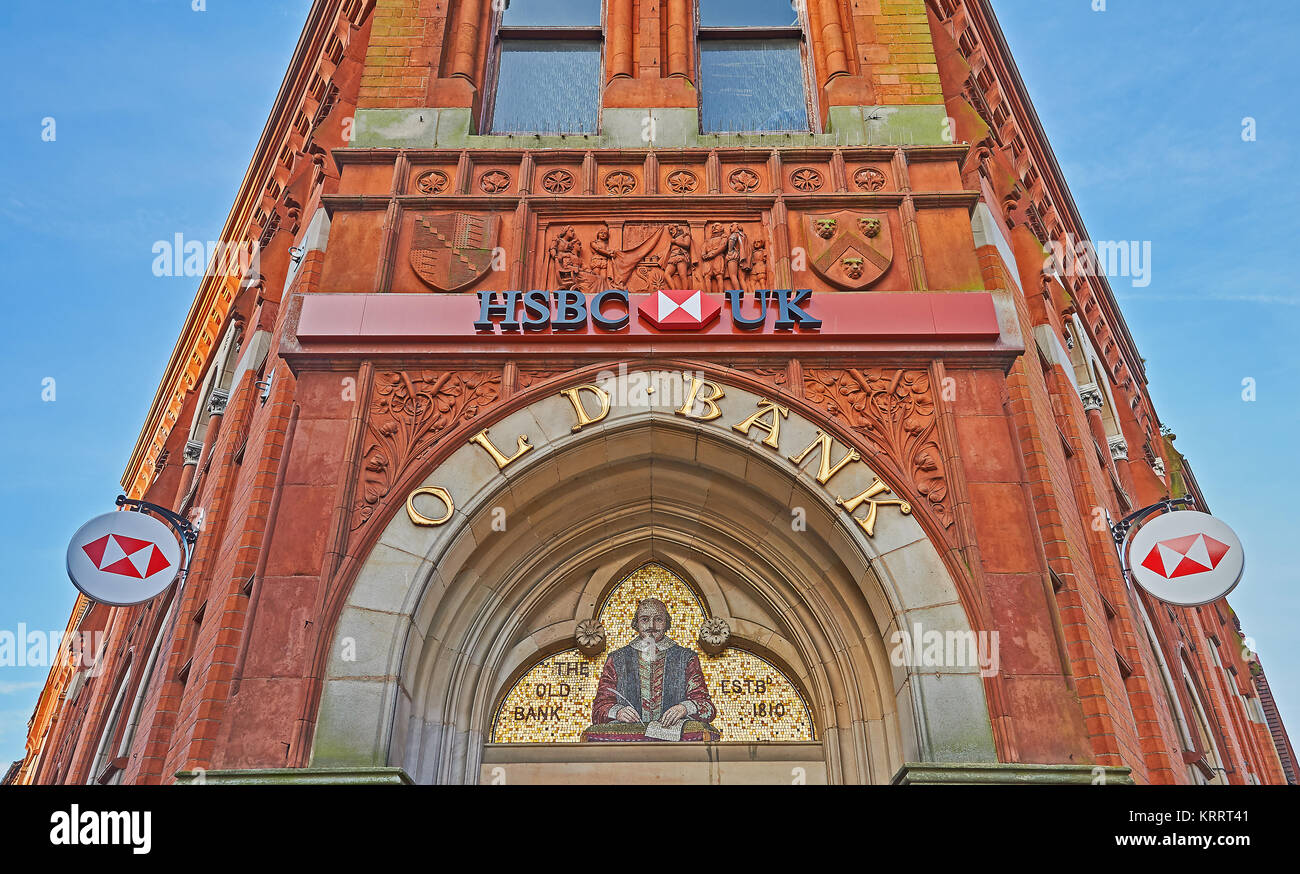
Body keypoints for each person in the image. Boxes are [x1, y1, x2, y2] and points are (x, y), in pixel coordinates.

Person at [591, 598, 717, 729]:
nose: (651, 626)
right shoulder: (617, 659)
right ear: (636, 623)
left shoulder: (686, 658)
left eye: (658, 619)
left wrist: (685, 708)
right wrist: (617, 712)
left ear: (666, 623)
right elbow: (599, 708)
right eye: (645, 619)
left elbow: (707, 706)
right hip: (628, 738)